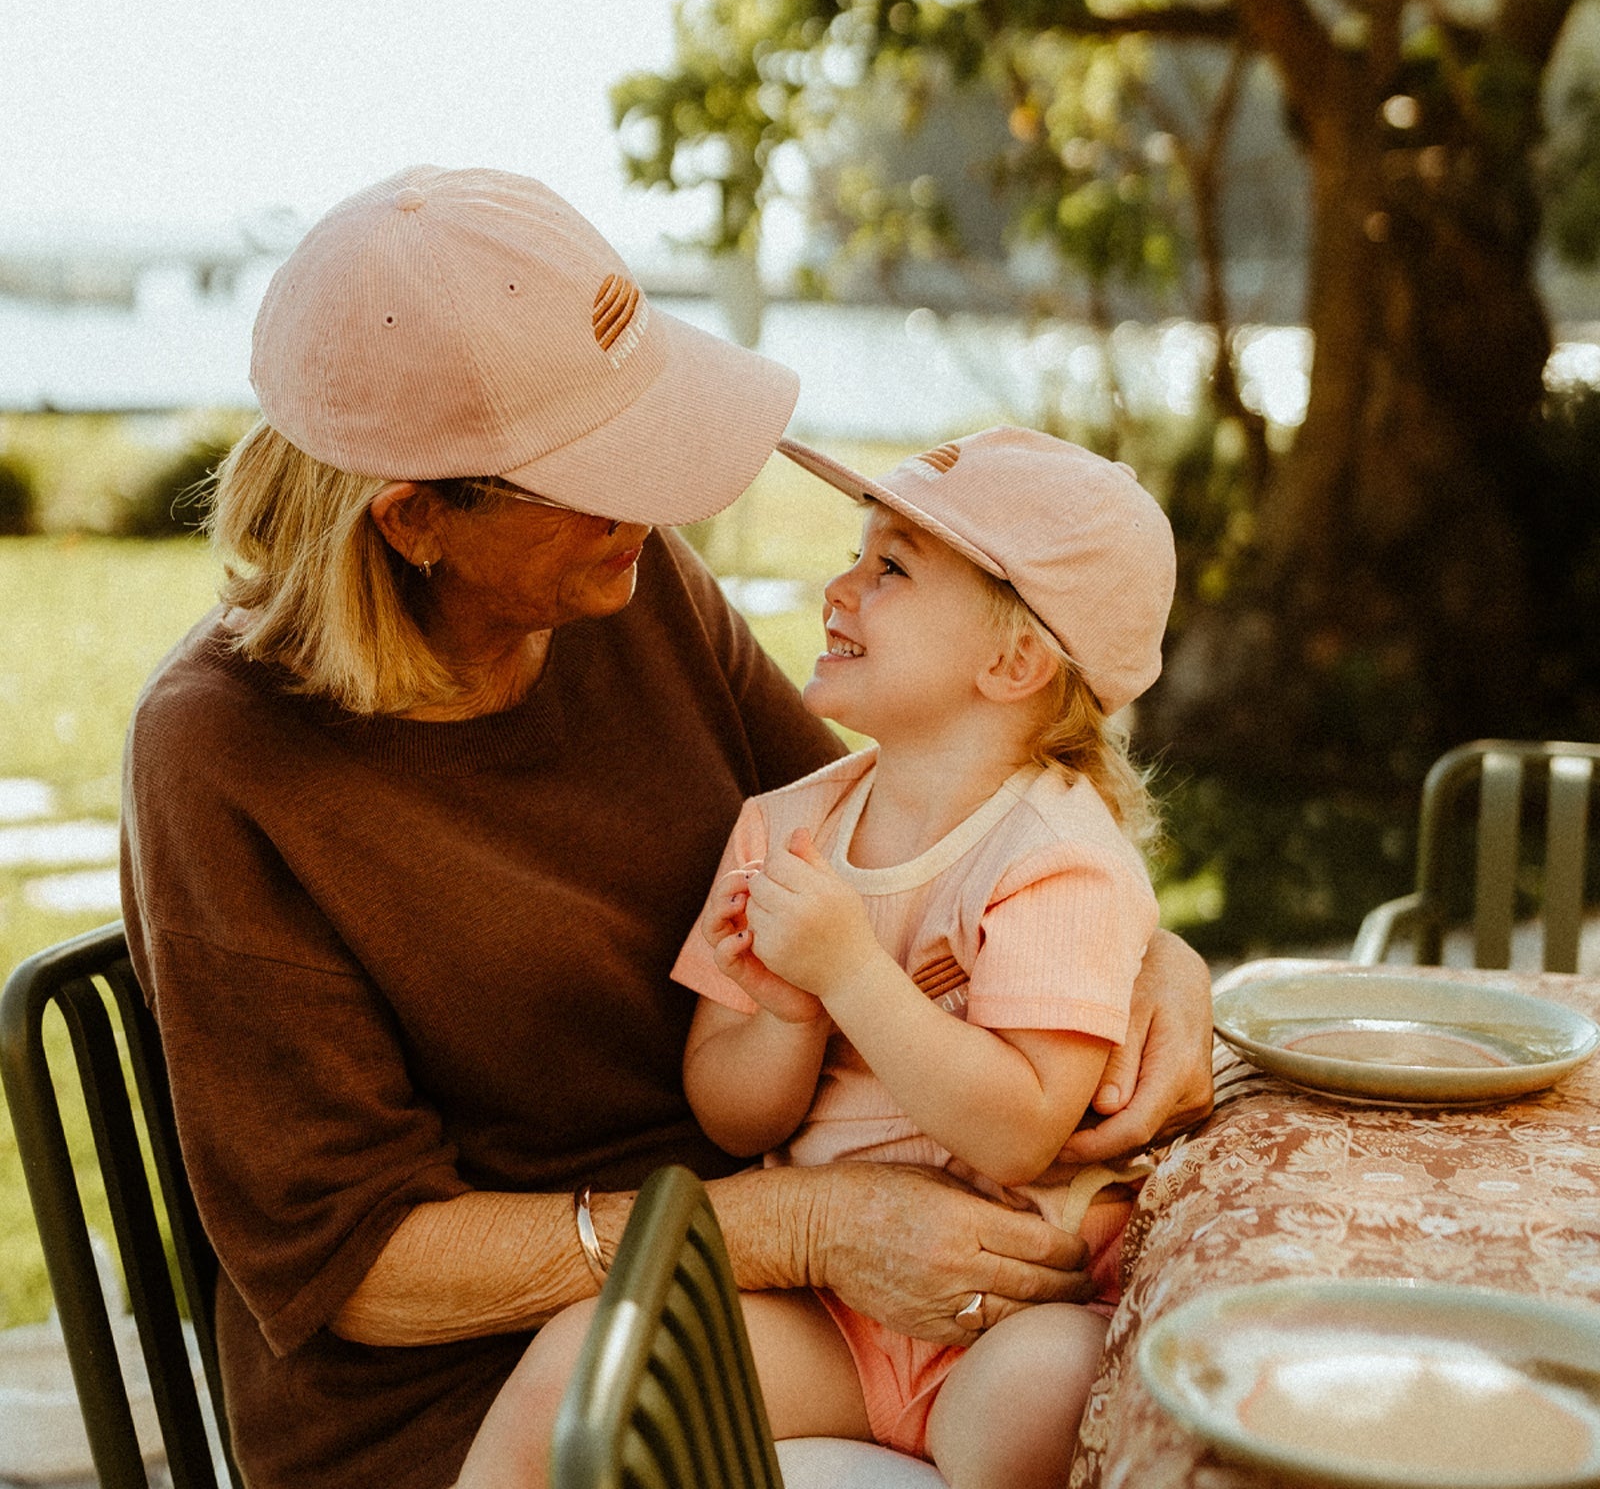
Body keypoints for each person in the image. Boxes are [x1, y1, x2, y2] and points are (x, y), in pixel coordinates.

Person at [119, 164, 1216, 1489]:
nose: (656, 499)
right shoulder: (223, 754)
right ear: (416, 522)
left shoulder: (614, 588)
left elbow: (928, 842)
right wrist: (797, 1225)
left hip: (787, 1296)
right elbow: (363, 1266)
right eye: (598, 472)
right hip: (477, 1405)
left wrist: (1151, 966)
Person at [461, 428, 1175, 1487]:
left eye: (890, 567)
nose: (838, 585)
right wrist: (787, 1015)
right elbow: (729, 1111)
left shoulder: (1060, 860)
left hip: (1017, 1304)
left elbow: (1022, 1126)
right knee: (580, 1362)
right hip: (828, 1315)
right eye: (856, 551)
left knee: (1041, 1399)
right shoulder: (782, 827)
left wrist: (850, 974)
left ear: (1014, 659)